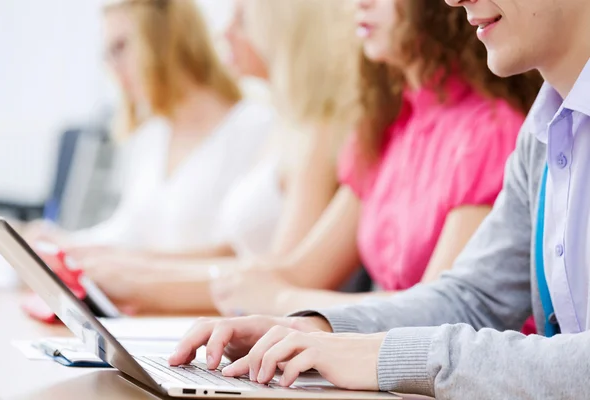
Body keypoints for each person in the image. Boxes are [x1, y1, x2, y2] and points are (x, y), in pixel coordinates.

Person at [168, 0, 590, 398]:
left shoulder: (495, 129)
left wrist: (383, 354)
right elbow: (473, 298)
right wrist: (316, 330)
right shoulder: (545, 132)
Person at [207, 0, 542, 317]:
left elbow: (441, 311)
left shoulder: (490, 129)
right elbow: (301, 270)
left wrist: (281, 301)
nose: (361, 3)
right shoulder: (385, 125)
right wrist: (239, 286)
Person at [65, 0, 361, 313]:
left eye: (242, 18)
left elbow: (282, 279)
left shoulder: (292, 128)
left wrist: (140, 281)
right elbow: (239, 257)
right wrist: (127, 267)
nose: (224, 32)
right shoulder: (289, 125)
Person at [25, 0, 273, 253]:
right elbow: (129, 231)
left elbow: (234, 253)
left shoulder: (256, 128)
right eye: (107, 54)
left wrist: (109, 265)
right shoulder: (151, 136)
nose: (113, 66)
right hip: (135, 289)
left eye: (121, 47)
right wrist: (60, 243)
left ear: (165, 38)